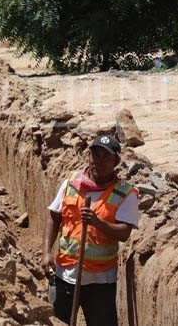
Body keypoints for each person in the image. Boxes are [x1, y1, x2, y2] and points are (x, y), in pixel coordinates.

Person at [42, 134, 139, 326]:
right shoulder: (71, 183)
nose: (99, 162)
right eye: (95, 156)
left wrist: (97, 222)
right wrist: (46, 253)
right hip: (65, 274)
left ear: (116, 162)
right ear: (89, 157)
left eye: (105, 157)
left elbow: (124, 233)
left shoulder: (125, 193)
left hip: (101, 281)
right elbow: (54, 216)